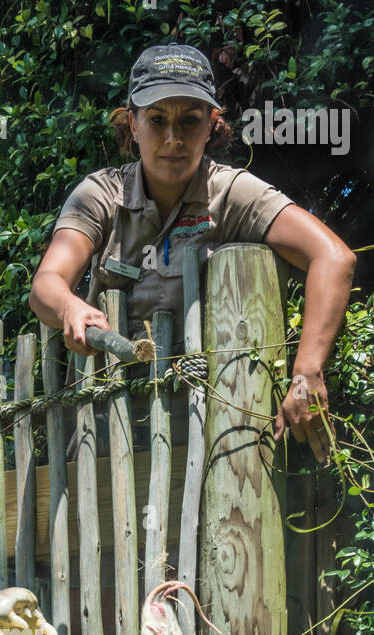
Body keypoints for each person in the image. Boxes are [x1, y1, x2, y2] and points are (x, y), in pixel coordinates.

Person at [28, 43, 357, 464]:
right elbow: (46, 285)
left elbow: (332, 256)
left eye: (190, 120)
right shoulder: (101, 195)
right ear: (132, 123)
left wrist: (307, 371)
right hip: (108, 437)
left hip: (218, 440)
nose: (173, 138)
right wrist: (71, 307)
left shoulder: (233, 192)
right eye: (157, 119)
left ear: (211, 125)